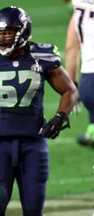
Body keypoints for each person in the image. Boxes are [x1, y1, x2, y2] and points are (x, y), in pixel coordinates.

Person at [0, 6, 78, 216]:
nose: (1, 39)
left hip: (33, 143)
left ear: (23, 32)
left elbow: (70, 90)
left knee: (33, 210)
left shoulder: (42, 56)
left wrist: (60, 116)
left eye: (7, 33)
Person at [65, 0, 94, 147]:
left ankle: (92, 132)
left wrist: (73, 87)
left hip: (88, 84)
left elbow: (71, 49)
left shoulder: (80, 4)